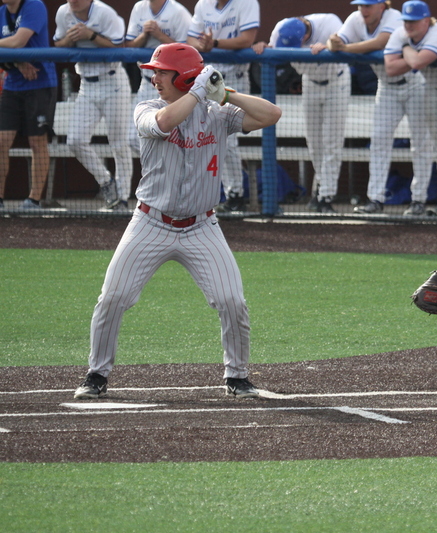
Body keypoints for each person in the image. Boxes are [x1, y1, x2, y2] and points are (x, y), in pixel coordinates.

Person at [73, 43, 282, 400]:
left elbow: (271, 115)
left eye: (163, 72)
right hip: (150, 223)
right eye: (153, 71)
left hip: (202, 226)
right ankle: (96, 373)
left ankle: (238, 375)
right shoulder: (147, 107)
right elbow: (166, 121)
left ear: (183, 76)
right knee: (113, 297)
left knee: (232, 300)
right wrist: (198, 90)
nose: (154, 77)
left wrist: (225, 92)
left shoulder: (216, 111)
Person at [329, 0, 433, 215]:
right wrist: (333, 43)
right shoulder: (355, 19)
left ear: (382, 6)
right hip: (385, 87)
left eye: (368, 5)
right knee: (378, 141)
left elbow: (381, 42)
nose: (363, 10)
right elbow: (335, 42)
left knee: (420, 143)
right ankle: (375, 198)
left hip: (414, 84)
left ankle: (419, 200)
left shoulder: (394, 17)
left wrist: (346, 48)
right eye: (361, 5)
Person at [254, 14, 350, 214]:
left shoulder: (329, 23)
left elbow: (344, 45)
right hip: (310, 83)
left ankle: (325, 196)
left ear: (306, 36)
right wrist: (263, 47)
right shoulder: (280, 27)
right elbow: (274, 48)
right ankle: (320, 190)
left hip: (336, 81)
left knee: (332, 141)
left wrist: (330, 47)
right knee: (314, 142)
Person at [53, 0, 131, 210]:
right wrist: (69, 38)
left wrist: (92, 36)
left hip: (113, 81)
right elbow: (58, 44)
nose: (73, 1)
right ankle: (106, 181)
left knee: (118, 142)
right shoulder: (63, 13)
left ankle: (122, 199)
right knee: (75, 140)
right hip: (87, 84)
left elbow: (119, 47)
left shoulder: (105, 13)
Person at [187, 0, 259, 213]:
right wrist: (203, 46)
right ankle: (217, 194)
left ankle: (235, 194)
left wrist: (214, 44)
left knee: (228, 140)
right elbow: (191, 38)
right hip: (208, 78)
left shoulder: (246, 3)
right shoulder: (203, 4)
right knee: (206, 136)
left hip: (234, 78)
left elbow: (247, 39)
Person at [384, 1, 437, 216]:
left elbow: (417, 63)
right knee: (426, 144)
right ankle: (419, 200)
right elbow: (390, 68)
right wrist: (412, 54)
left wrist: (405, 50)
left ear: (426, 20)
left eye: (414, 21)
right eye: (406, 20)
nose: (409, 25)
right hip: (431, 90)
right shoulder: (400, 33)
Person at [0, 0, 57, 211]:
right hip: (13, 85)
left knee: (37, 141)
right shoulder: (1, 13)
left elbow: (17, 42)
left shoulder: (34, 5)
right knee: (1, 141)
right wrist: (17, 62)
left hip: (40, 82)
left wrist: (13, 54)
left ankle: (33, 200)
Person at [125, 0, 192, 156]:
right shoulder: (139, 8)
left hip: (174, 86)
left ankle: (175, 171)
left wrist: (160, 35)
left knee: (180, 137)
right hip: (148, 81)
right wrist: (145, 34)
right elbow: (129, 45)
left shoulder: (178, 11)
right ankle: (167, 169)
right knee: (132, 138)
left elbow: (188, 51)